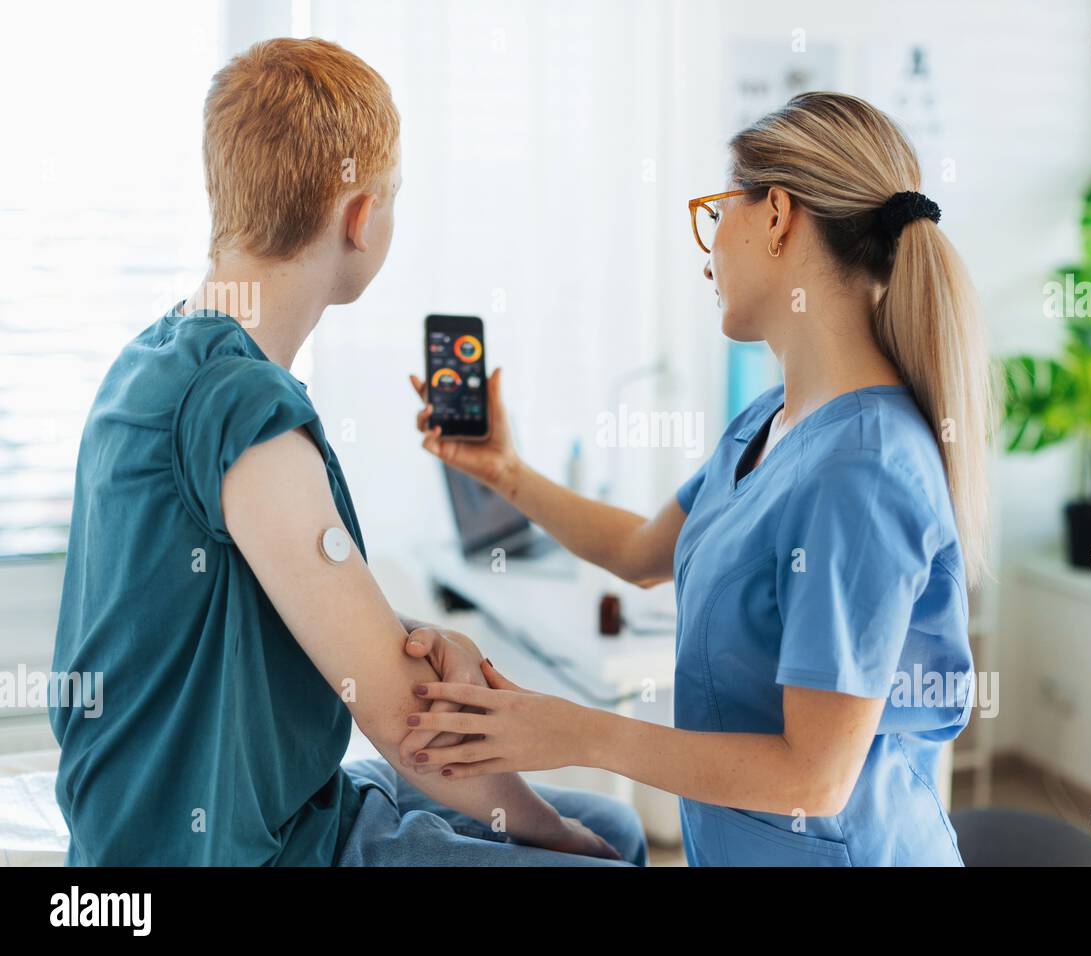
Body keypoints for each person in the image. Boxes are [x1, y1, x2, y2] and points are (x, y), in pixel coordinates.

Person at [48, 37, 644, 867]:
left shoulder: (149, 362)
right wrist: (557, 836)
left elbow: (241, 603)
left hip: (180, 816)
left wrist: (393, 628)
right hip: (237, 848)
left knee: (613, 826)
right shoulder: (245, 410)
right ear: (359, 217)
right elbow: (407, 729)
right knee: (601, 848)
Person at [404, 91, 990, 866]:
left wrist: (578, 732)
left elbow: (814, 779)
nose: (706, 248)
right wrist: (506, 472)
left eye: (718, 213)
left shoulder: (866, 471)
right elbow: (643, 551)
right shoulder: (771, 418)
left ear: (777, 215)